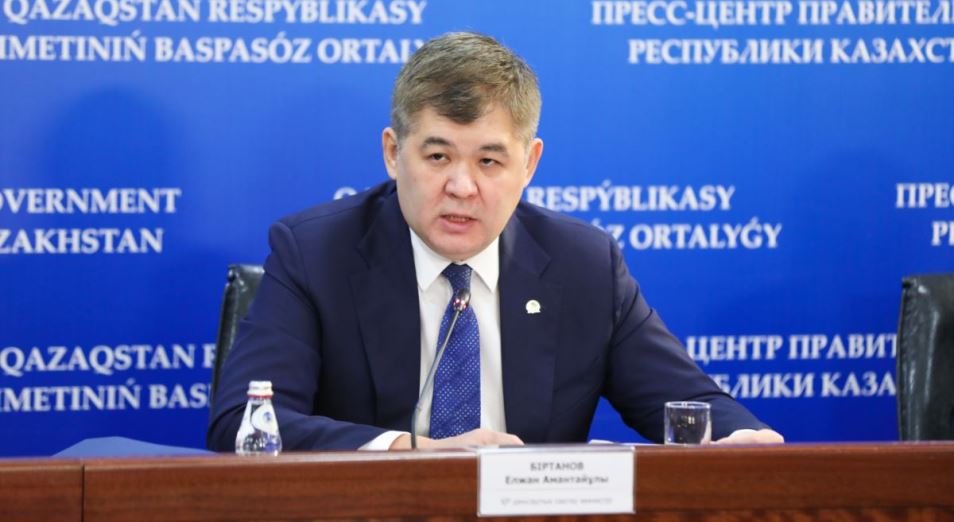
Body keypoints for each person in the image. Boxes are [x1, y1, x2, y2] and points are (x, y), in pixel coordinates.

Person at [207, 32, 783, 451]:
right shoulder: (316, 254)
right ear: (393, 153)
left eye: (489, 161)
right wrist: (411, 451)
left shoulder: (583, 264)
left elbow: (689, 404)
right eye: (438, 156)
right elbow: (243, 423)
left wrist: (739, 439)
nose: (462, 187)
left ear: (529, 164)